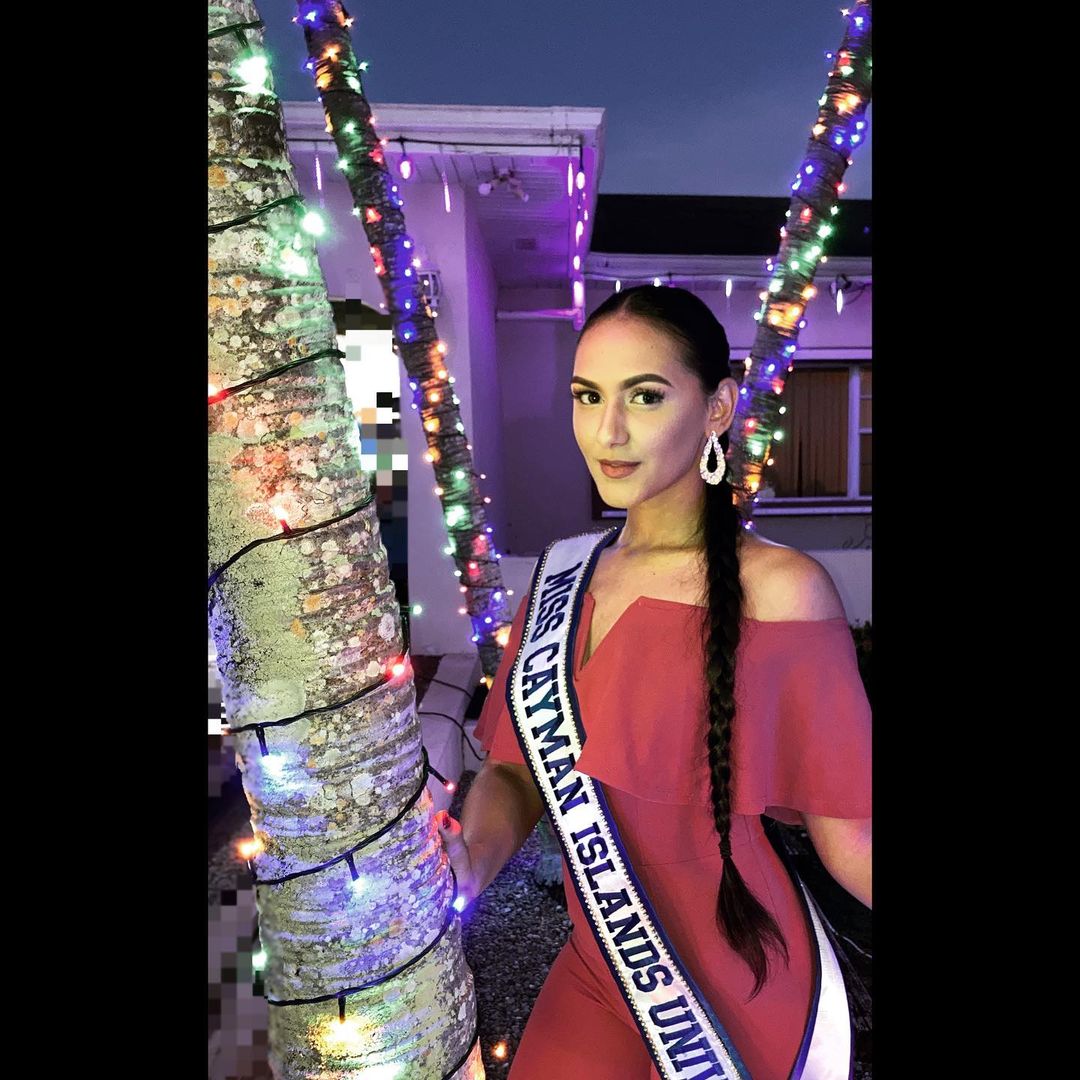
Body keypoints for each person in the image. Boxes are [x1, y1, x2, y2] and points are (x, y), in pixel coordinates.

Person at [437, 285, 872, 1079]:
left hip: (742, 985)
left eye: (644, 396)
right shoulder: (560, 583)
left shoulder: (782, 589)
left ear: (717, 409)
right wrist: (469, 856)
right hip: (598, 967)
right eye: (586, 397)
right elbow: (512, 770)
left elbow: (854, 842)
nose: (608, 431)